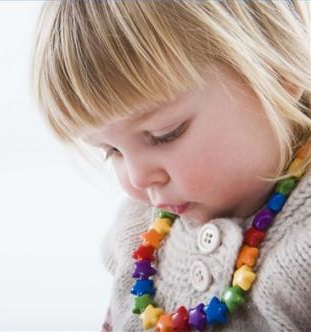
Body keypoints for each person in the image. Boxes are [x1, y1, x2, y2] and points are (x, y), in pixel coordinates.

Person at [30, 1, 311, 331]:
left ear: (277, 73)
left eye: (164, 135)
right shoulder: (136, 236)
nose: (138, 178)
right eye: (111, 151)